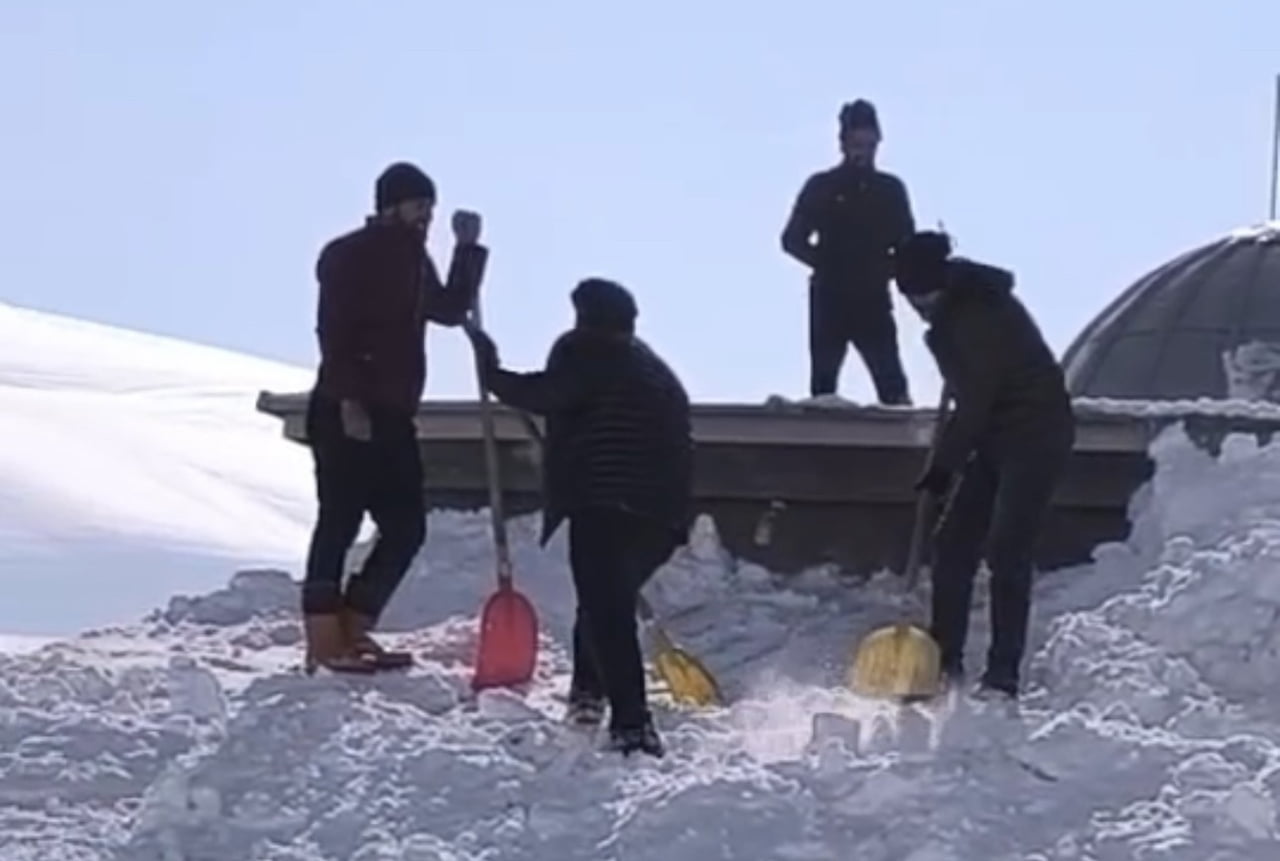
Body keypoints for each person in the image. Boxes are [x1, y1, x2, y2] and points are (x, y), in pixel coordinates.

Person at [464, 278, 693, 758]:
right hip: (664, 516)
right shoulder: (652, 368)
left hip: (607, 502)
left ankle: (632, 725)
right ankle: (588, 695)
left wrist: (491, 372)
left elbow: (551, 393)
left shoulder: (584, 349)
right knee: (603, 602)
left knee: (607, 611)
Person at [301, 161, 488, 674]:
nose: (427, 214)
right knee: (339, 519)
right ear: (390, 205)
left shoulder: (414, 259)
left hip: (394, 413)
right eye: (419, 205)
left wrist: (467, 251)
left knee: (406, 527)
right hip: (347, 407)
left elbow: (449, 310)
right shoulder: (349, 255)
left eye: (431, 206)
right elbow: (333, 330)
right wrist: (349, 401)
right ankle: (323, 638)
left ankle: (354, 626)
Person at [894, 230, 1075, 700]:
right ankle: (944, 662)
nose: (918, 308)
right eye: (911, 300)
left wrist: (943, 468)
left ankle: (1002, 675)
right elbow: (975, 405)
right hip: (996, 435)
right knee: (953, 544)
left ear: (938, 285)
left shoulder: (975, 317)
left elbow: (974, 403)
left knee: (1007, 549)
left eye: (921, 297)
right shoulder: (953, 311)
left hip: (1035, 434)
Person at [781, 98, 916, 405]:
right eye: (857, 144)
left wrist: (884, 268)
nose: (863, 152)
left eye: (869, 144)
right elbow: (792, 239)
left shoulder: (889, 190)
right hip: (830, 297)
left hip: (872, 297)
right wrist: (830, 264)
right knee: (824, 389)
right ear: (843, 143)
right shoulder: (822, 186)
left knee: (892, 385)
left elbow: (907, 246)